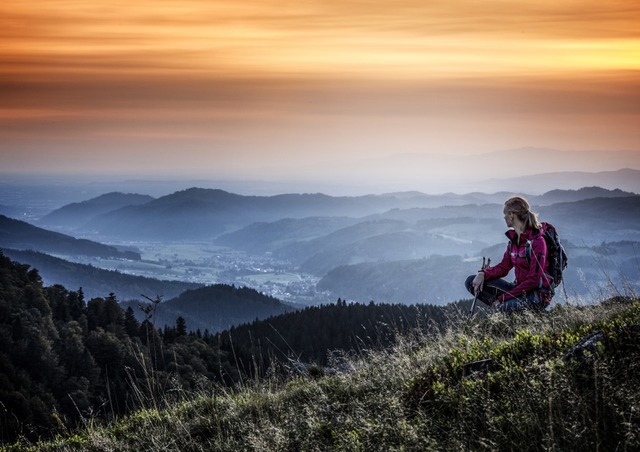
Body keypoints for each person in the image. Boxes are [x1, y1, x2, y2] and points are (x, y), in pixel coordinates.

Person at [465, 196, 552, 313]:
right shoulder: (514, 241)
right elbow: (503, 268)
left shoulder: (537, 242)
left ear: (511, 214)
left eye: (505, 214)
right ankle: (501, 308)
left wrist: (502, 299)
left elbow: (533, 281)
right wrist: (483, 274)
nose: (504, 217)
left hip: (536, 295)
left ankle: (503, 309)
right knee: (471, 281)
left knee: (502, 309)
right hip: (519, 290)